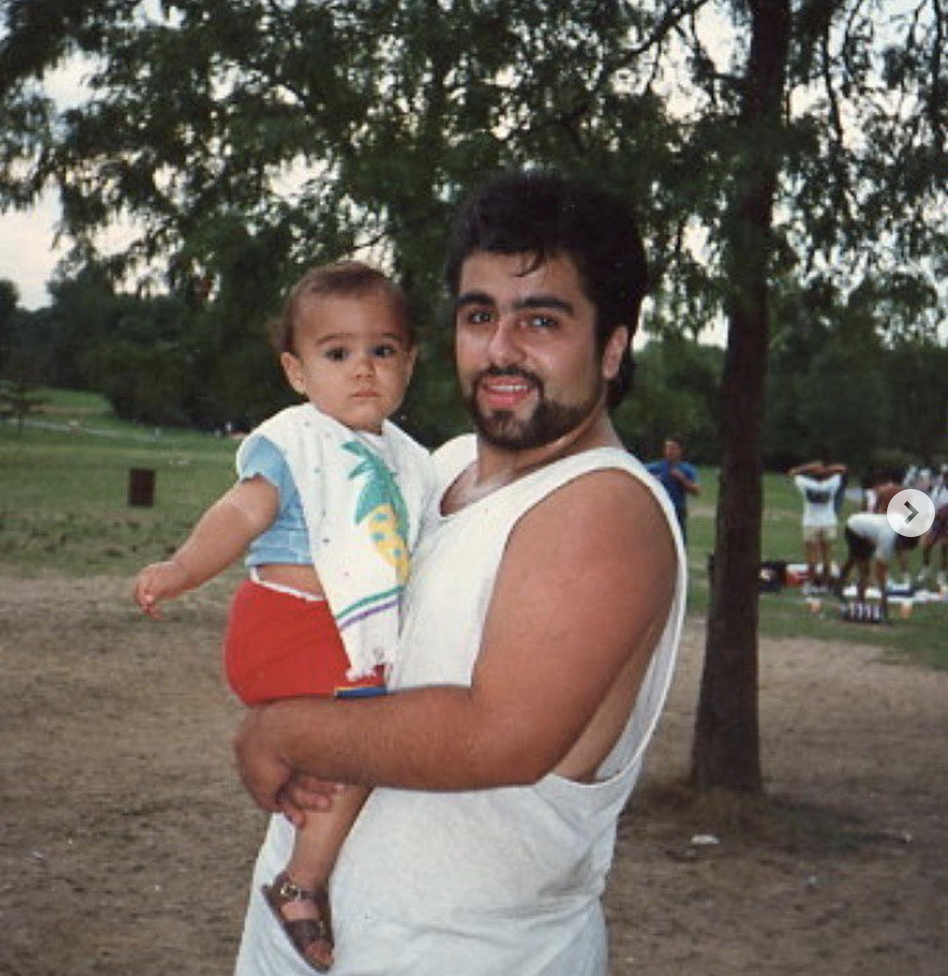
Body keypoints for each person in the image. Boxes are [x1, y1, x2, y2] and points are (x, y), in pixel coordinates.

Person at [231, 170, 687, 976]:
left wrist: (277, 730)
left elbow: (493, 735)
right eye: (480, 315)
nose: (501, 349)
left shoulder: (602, 505)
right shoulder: (433, 470)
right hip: (312, 933)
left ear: (613, 345)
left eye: (541, 319)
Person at [133, 261, 433, 972]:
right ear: (298, 373)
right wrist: (180, 570)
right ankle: (303, 882)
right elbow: (241, 511)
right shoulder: (296, 439)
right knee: (370, 741)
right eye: (338, 354)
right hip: (290, 623)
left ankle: (307, 814)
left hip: (333, 641)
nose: (363, 369)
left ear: (410, 363)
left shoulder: (409, 459)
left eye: (382, 351)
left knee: (349, 746)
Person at [787, 458, 847, 591]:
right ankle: (825, 584)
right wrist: (826, 470)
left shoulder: (805, 483)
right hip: (829, 522)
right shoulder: (833, 483)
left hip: (810, 522)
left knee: (811, 556)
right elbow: (842, 469)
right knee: (827, 555)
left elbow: (792, 473)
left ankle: (810, 584)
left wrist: (806, 467)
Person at [836, 509, 903, 617]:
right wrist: (884, 597)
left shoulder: (902, 525)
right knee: (865, 570)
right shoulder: (888, 538)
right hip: (855, 530)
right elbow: (879, 571)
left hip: (860, 522)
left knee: (853, 558)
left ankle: (838, 585)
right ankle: (860, 600)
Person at [645, 436, 701, 542]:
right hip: (659, 509)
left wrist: (682, 479)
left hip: (678, 509)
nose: (669, 451)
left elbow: (697, 491)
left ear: (680, 451)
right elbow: (638, 472)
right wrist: (652, 479)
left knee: (678, 540)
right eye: (667, 448)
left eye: (673, 448)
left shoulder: (687, 469)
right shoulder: (656, 467)